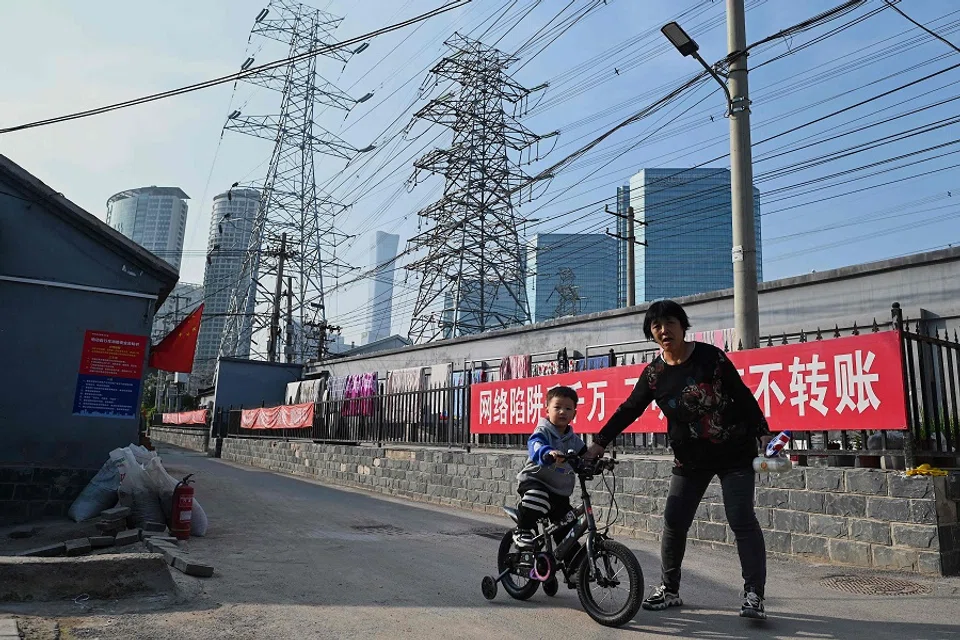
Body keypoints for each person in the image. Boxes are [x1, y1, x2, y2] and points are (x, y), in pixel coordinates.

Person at [586, 299, 771, 620]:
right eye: (656, 326)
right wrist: (599, 443)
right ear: (651, 334)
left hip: (735, 453)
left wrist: (763, 431)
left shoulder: (710, 358)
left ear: (683, 326)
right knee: (674, 522)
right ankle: (670, 589)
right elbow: (630, 409)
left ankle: (753, 594)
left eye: (670, 322)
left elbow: (741, 394)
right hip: (690, 460)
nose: (663, 329)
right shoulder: (655, 374)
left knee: (741, 519)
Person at [512, 385, 587, 550]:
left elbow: (585, 455)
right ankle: (523, 529)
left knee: (570, 533)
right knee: (538, 498)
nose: (562, 412)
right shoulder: (543, 430)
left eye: (568, 408)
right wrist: (548, 453)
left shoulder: (574, 439)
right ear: (547, 410)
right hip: (535, 483)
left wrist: (596, 462)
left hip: (558, 493)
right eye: (557, 407)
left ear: (574, 413)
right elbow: (535, 444)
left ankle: (575, 570)